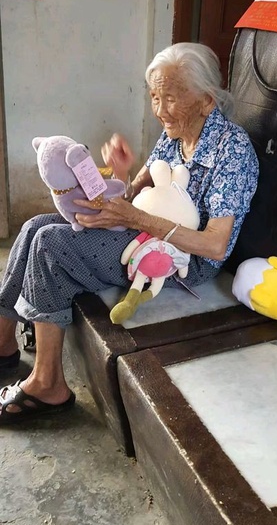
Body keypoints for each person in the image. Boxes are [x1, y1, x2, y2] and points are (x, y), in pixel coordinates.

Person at [0, 42, 259, 423]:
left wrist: (136, 219)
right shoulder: (174, 134)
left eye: (170, 98)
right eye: (154, 97)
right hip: (144, 235)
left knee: (50, 243)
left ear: (206, 101)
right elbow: (132, 196)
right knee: (35, 225)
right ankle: (3, 341)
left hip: (184, 260)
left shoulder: (232, 149)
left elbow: (215, 245)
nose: (159, 110)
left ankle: (48, 383)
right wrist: (120, 173)